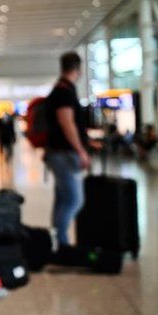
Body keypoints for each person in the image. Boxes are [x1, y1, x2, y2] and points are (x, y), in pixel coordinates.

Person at [44, 52, 91, 248]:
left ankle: (58, 241)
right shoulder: (64, 91)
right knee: (74, 200)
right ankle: (60, 240)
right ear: (78, 69)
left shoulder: (60, 88)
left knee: (63, 199)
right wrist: (81, 150)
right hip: (63, 153)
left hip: (57, 153)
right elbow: (67, 123)